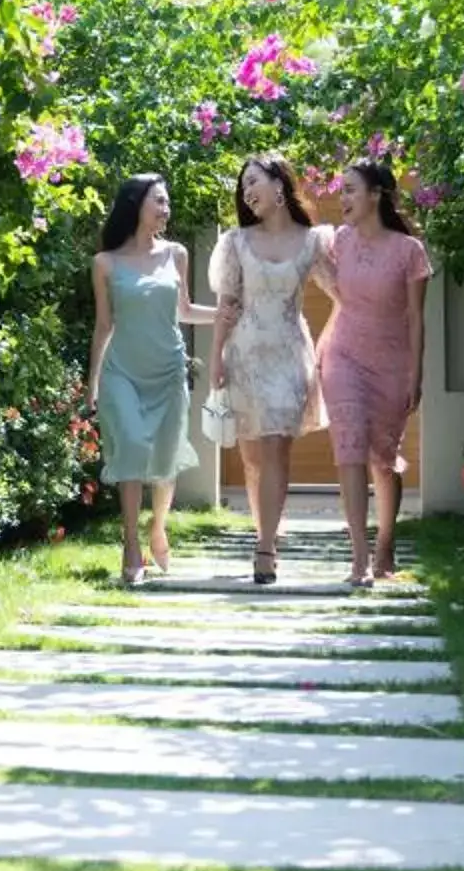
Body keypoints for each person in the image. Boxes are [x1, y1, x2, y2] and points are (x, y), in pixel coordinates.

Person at [87, 173, 214, 588]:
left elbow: (186, 309)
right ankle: (130, 544)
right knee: (133, 446)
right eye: (158, 201)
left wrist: (225, 313)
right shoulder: (105, 263)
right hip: (122, 371)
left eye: (167, 201)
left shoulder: (175, 254)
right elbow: (103, 326)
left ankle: (158, 527)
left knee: (164, 456)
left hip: (168, 370)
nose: (166, 208)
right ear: (135, 204)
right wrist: (92, 383)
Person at [314, 158, 431, 589]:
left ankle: (385, 543)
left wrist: (416, 374)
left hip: (392, 364)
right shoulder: (338, 242)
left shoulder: (409, 252)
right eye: (341, 189)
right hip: (343, 355)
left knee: (383, 459)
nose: (342, 198)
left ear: (376, 195)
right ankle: (359, 555)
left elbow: (417, 319)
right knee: (348, 445)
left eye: (350, 190)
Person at [211, 154, 325, 585]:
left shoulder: (315, 241)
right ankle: (266, 531)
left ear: (279, 185)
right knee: (254, 457)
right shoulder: (236, 242)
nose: (247, 192)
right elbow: (226, 307)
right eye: (243, 187)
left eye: (253, 181)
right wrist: (218, 358)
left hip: (290, 355)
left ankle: (266, 548)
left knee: (278, 445)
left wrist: (335, 341)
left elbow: (344, 293)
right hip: (244, 355)